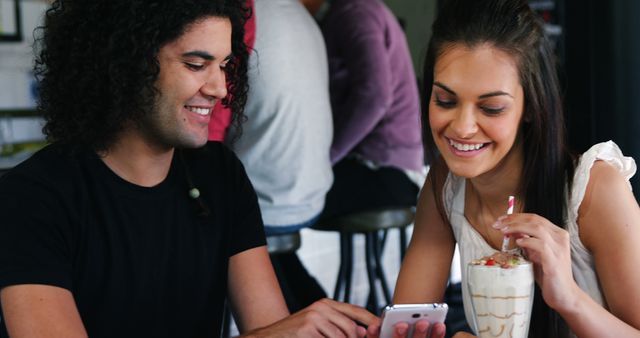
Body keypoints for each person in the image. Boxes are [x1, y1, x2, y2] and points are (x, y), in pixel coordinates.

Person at [0, 0, 383, 337]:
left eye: (225, 66)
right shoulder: (31, 198)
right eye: (196, 64)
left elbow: (269, 325)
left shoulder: (219, 175)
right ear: (125, 62)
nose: (220, 88)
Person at [393, 0, 640, 337]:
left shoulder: (594, 190)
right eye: (446, 101)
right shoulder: (445, 185)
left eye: (491, 108)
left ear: (530, 107)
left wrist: (568, 298)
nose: (463, 127)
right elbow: (407, 324)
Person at [224, 0, 333, 313]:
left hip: (269, 203)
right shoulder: (302, 15)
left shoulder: (241, 13)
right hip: (311, 194)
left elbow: (213, 134)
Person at [305, 0, 425, 219]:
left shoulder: (355, 13)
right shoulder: (350, 12)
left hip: (383, 170)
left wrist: (326, 158)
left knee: (277, 200)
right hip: (384, 168)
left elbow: (375, 97)